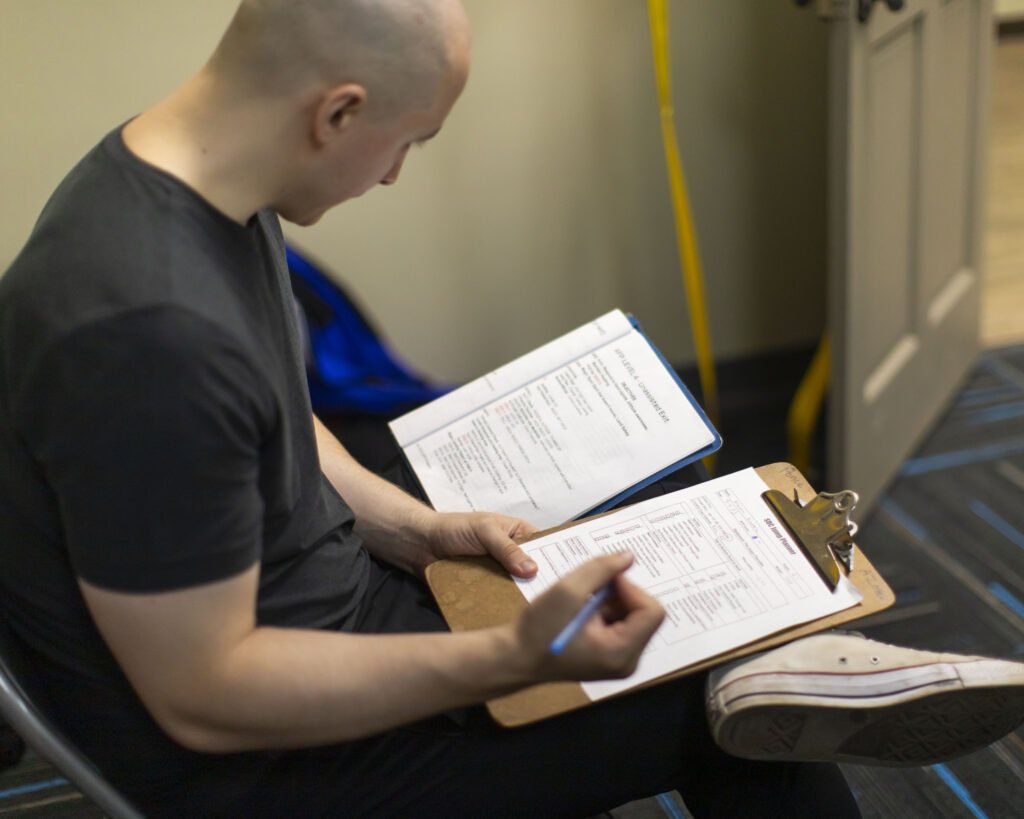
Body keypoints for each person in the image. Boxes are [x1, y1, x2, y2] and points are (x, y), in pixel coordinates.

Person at [1, 2, 1022, 817]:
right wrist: (507, 661)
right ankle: (792, 667)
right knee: (737, 708)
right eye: (408, 143)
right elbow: (206, 700)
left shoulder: (198, 175)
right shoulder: (144, 333)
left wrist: (418, 530)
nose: (395, 174)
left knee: (669, 546)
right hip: (263, 760)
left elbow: (278, 414)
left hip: (325, 609)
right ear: (338, 111)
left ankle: (788, 655)